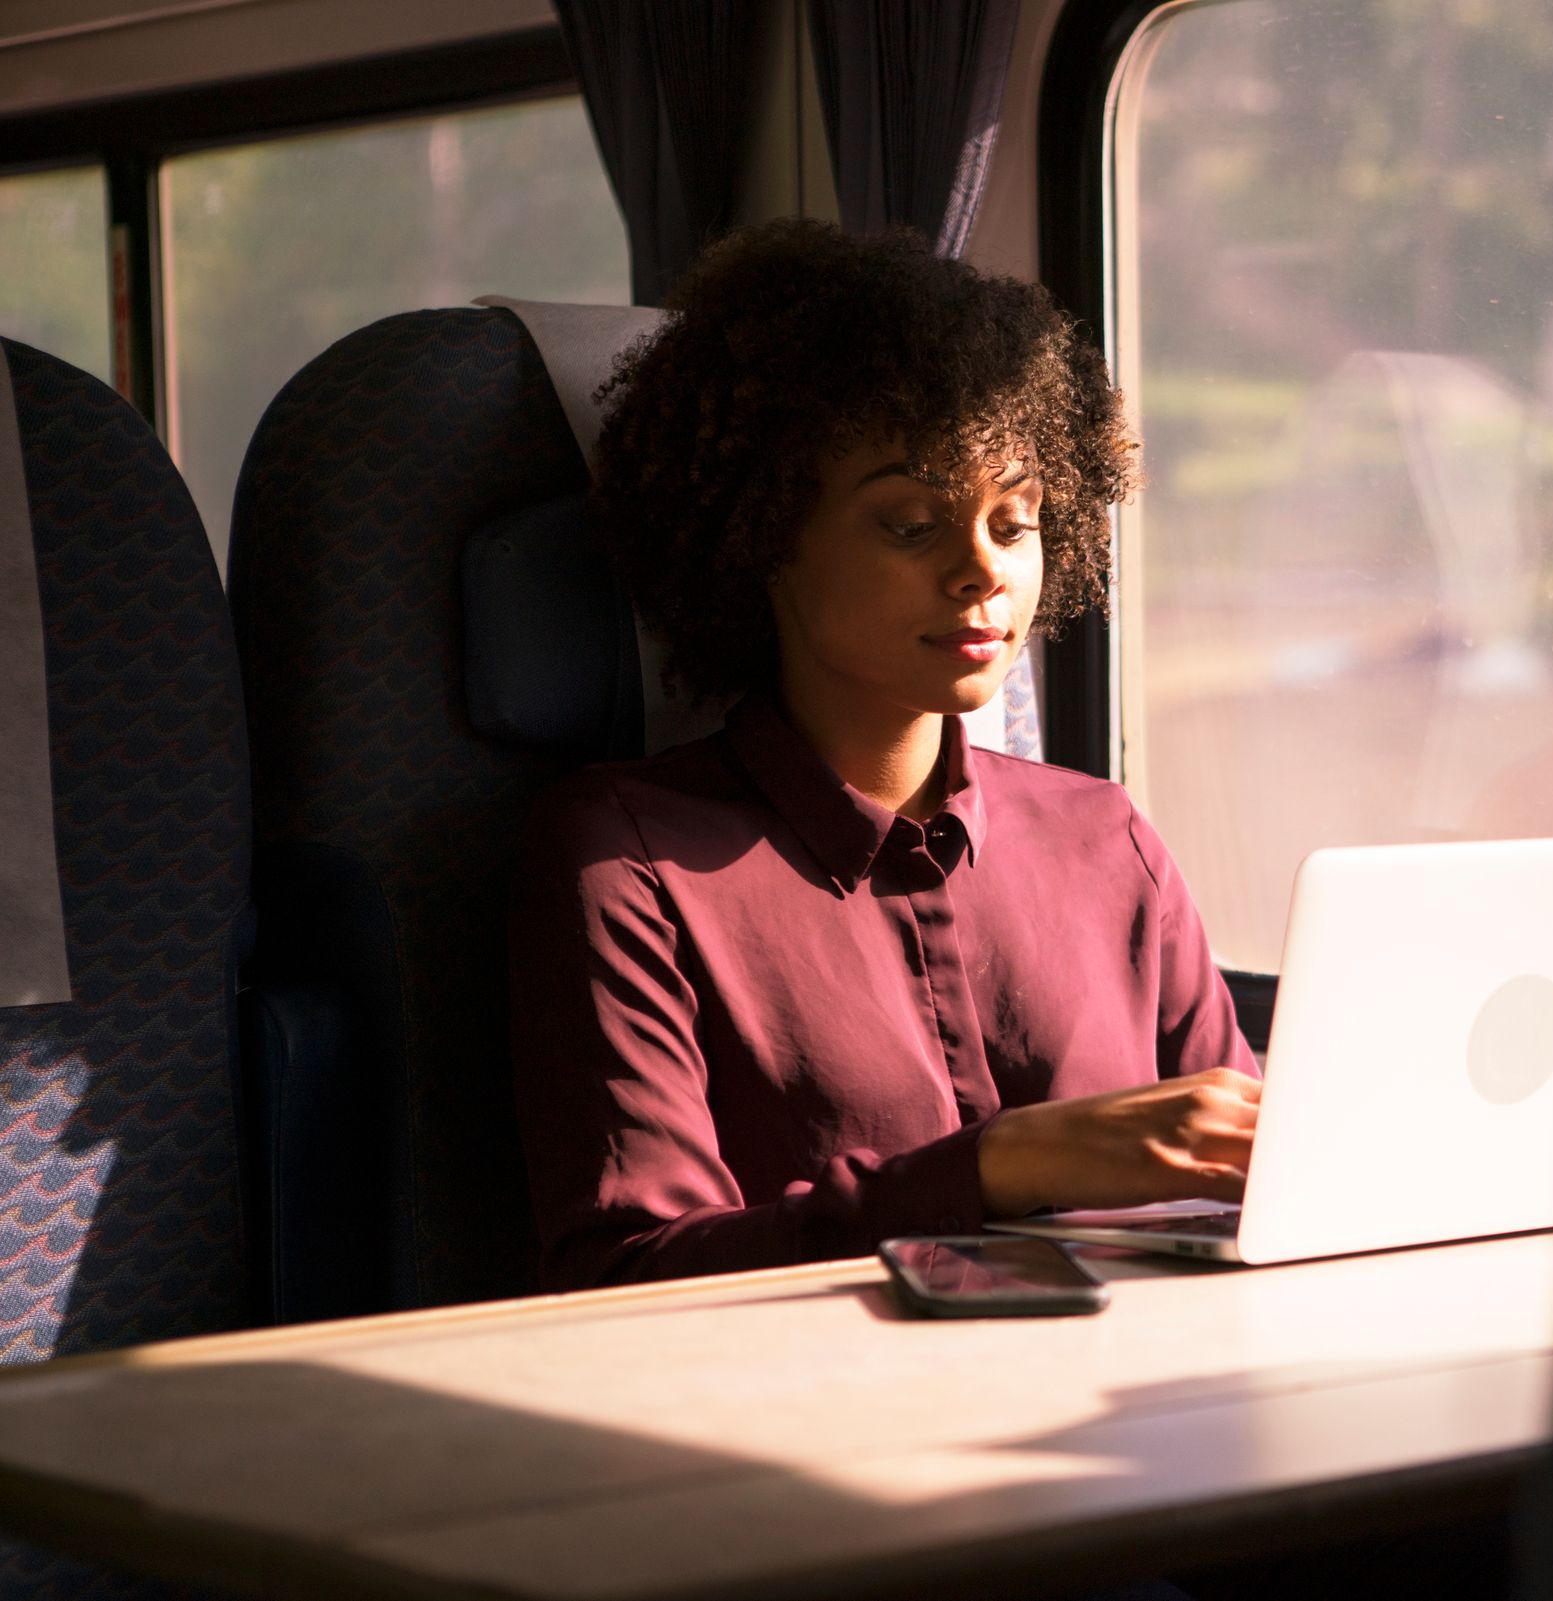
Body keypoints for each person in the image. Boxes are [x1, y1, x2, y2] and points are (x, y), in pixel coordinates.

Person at [510, 219, 1260, 1292]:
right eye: (911, 523)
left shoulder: (1107, 836)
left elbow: (1256, 1175)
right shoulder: (625, 861)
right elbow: (628, 1272)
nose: (981, 571)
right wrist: (997, 1168)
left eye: (1014, 521)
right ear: (762, 535)